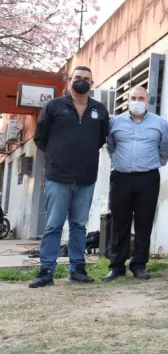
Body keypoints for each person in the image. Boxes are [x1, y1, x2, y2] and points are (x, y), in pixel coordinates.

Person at [29, 66, 110, 288]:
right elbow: (40, 138)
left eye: (86, 79)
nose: (82, 81)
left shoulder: (99, 110)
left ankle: (77, 269)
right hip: (58, 177)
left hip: (86, 178)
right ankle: (46, 271)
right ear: (70, 80)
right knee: (53, 225)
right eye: (78, 77)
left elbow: (100, 139)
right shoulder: (54, 106)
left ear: (92, 83)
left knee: (78, 226)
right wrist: (57, 157)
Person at [103, 86, 168, 281]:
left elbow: (165, 148)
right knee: (119, 222)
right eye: (133, 98)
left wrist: (153, 164)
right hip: (121, 177)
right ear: (127, 101)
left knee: (144, 221)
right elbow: (110, 146)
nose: (137, 101)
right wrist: (121, 162)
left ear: (148, 102)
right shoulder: (114, 122)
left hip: (148, 178)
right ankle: (116, 266)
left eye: (141, 98)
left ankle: (139, 265)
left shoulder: (160, 123)